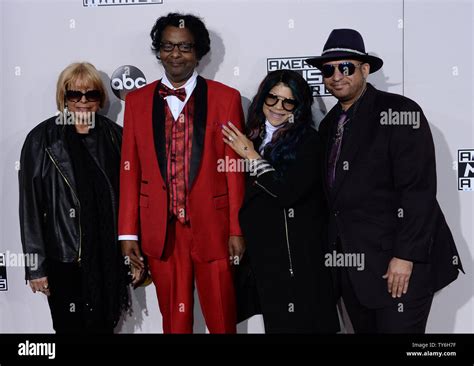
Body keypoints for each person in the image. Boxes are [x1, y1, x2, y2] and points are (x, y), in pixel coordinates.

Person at [305, 29, 463, 333]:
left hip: (400, 267)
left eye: (346, 67)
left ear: (365, 70)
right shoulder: (328, 126)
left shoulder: (399, 112)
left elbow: (418, 192)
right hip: (353, 271)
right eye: (328, 69)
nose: (336, 76)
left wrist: (406, 257)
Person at [118, 13, 245, 334]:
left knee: (222, 320)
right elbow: (129, 172)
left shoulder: (226, 98)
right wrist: (128, 233)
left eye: (185, 47)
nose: (176, 54)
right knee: (174, 323)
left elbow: (234, 171)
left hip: (213, 228)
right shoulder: (135, 101)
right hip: (161, 230)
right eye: (168, 46)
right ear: (158, 51)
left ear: (199, 53)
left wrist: (236, 228)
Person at [221, 70, 340, 333]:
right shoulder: (250, 137)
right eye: (272, 98)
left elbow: (287, 192)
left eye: (288, 101)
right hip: (265, 259)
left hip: (297, 261)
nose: (278, 107)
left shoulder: (308, 141)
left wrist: (251, 156)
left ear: (299, 106)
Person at [19, 62, 129, 333]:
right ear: (63, 98)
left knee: (104, 328)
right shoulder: (41, 139)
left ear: (100, 99)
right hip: (65, 259)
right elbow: (30, 207)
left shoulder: (115, 137)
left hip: (107, 260)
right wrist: (35, 267)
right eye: (74, 95)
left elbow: (130, 199)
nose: (83, 102)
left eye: (90, 95)